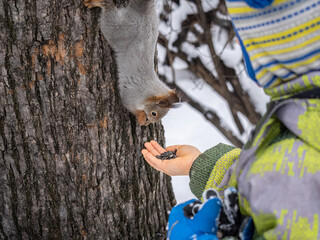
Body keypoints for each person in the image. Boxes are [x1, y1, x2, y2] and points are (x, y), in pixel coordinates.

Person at [142, 0, 320, 239]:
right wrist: (200, 165)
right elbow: (271, 180)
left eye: (247, 37)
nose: (238, 41)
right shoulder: (304, 121)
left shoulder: (304, 163)